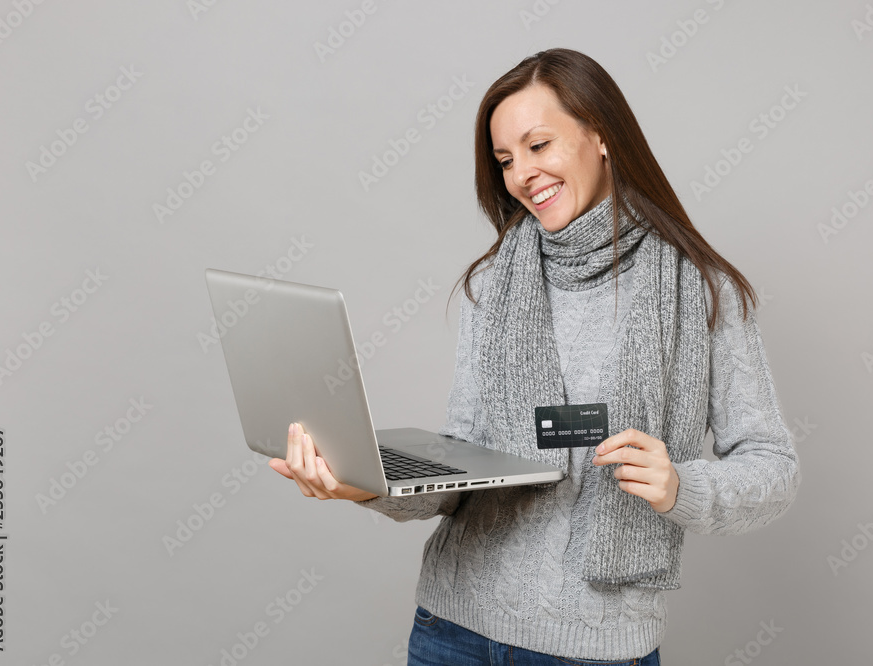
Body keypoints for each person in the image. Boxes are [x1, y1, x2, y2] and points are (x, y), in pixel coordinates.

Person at [269, 48, 801, 665]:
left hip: (591, 649)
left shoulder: (703, 292)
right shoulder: (494, 284)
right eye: (504, 159)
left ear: (601, 136)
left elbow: (772, 469)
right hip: (451, 631)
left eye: (538, 145)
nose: (522, 173)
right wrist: (361, 484)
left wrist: (682, 485)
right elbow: (462, 464)